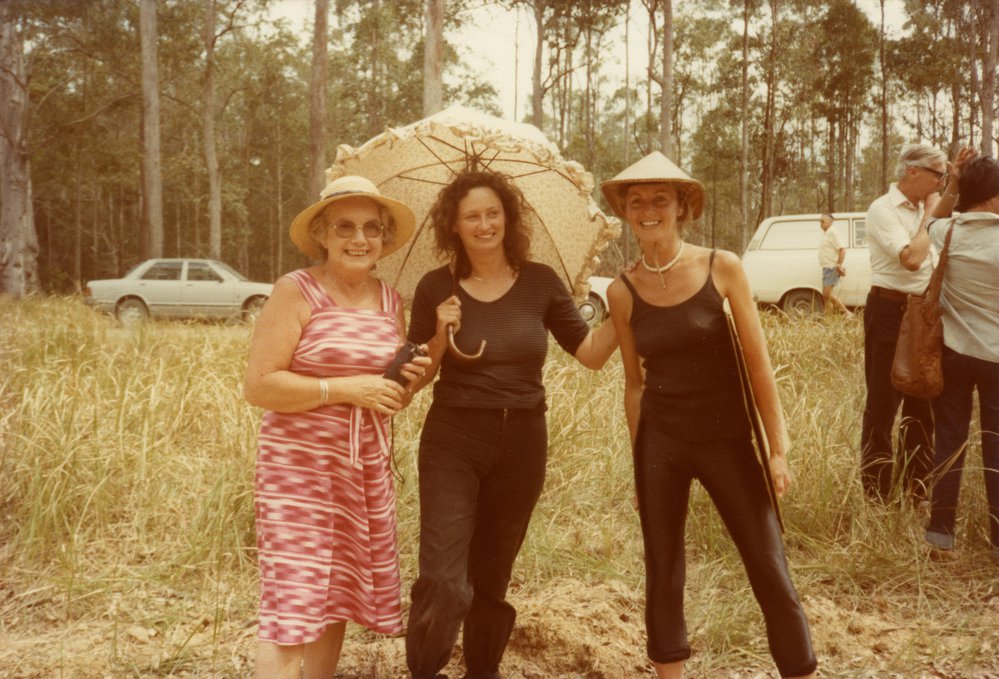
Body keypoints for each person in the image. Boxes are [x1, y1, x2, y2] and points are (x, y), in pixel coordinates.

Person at [602, 151, 817, 679]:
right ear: (626, 213)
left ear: (682, 207)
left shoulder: (722, 266)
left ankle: (800, 669)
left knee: (767, 562)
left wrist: (777, 448)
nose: (648, 210)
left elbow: (758, 365)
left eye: (660, 200)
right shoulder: (621, 291)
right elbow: (634, 386)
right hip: (661, 443)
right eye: (636, 203)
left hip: (726, 440)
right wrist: (638, 462)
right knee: (663, 568)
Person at [403, 169, 618, 679]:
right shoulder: (436, 287)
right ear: (452, 226)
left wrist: (626, 305)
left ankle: (484, 670)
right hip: (453, 437)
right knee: (443, 576)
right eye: (471, 216)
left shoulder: (541, 281)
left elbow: (588, 353)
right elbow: (414, 379)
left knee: (492, 575)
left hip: (522, 439)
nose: (484, 224)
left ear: (508, 218)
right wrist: (438, 332)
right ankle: (424, 670)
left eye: (492, 213)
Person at [244, 175, 431, 679]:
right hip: (298, 472)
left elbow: (385, 399)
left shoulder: (391, 302)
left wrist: (407, 383)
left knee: (336, 595)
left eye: (372, 228)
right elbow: (259, 385)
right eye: (345, 226)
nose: (359, 239)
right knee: (293, 601)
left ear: (385, 239)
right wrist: (347, 388)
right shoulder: (295, 289)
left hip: (362, 469)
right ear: (323, 234)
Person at [860, 142, 949, 503]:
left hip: (923, 313)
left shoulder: (927, 209)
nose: (942, 183)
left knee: (921, 400)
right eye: (938, 175)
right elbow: (912, 258)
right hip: (888, 311)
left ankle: (916, 490)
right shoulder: (883, 210)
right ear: (914, 172)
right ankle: (877, 495)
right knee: (883, 403)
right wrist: (930, 216)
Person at [921, 152, 998, 560]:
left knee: (949, 441)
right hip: (996, 359)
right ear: (991, 197)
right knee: (997, 446)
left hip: (952, 352)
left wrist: (953, 183)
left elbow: (932, 216)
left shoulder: (947, 233)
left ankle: (940, 534)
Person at [817, 212, 851, 316]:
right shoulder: (827, 233)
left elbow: (842, 249)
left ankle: (847, 313)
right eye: (820, 221)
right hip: (826, 267)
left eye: (823, 221)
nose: (820, 223)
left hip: (831, 267)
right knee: (826, 296)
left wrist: (838, 265)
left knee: (827, 294)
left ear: (830, 222)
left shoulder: (833, 233)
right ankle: (829, 317)